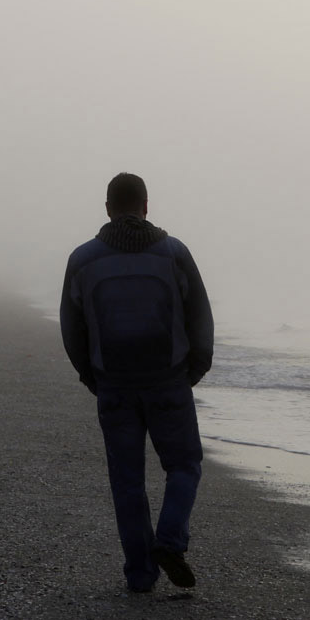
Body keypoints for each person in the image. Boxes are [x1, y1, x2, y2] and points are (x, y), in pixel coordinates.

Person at [60, 172, 214, 593]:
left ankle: (141, 574)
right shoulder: (173, 253)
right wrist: (193, 371)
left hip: (114, 386)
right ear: (147, 206)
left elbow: (72, 329)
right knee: (184, 465)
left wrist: (92, 376)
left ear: (107, 208)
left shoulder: (83, 260)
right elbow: (200, 315)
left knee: (126, 480)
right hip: (169, 382)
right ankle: (169, 541)